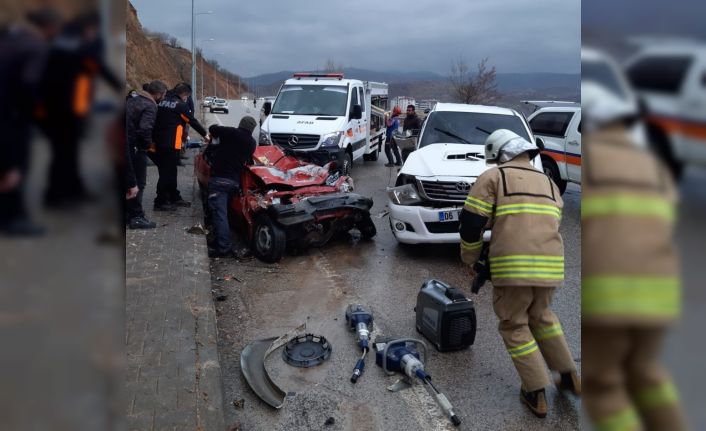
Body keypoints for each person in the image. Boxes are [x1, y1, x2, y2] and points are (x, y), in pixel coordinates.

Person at [581, 82, 687, 430]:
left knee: (602, 384)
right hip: (661, 292)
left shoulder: (593, 160)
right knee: (646, 373)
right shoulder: (652, 165)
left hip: (611, 294)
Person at [459, 129, 580, 418]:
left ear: (500, 154)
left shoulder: (494, 177)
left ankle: (535, 390)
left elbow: (472, 225)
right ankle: (568, 375)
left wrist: (471, 258)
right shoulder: (549, 183)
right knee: (543, 317)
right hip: (551, 266)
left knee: (514, 324)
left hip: (513, 267)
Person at [38, 11, 121, 208]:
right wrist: (119, 86)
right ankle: (56, 196)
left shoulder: (59, 47)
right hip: (66, 112)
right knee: (64, 154)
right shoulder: (78, 50)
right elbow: (99, 67)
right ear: (87, 30)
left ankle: (71, 191)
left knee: (66, 153)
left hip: (58, 111)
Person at [0, 8, 61, 236]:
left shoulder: (9, 38)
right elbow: (28, 83)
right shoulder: (35, 45)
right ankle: (12, 219)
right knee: (15, 168)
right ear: (50, 28)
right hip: (12, 117)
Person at [150, 83, 208, 211]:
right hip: (171, 144)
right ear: (184, 95)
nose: (187, 99)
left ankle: (174, 196)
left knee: (170, 171)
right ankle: (160, 202)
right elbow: (192, 121)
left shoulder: (162, 102)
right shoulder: (180, 106)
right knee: (166, 173)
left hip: (158, 142)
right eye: (187, 96)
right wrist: (206, 135)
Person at [205, 116, 257, 258]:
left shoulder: (231, 132)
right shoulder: (252, 143)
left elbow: (213, 129)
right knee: (223, 213)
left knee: (219, 215)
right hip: (234, 183)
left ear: (241, 124)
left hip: (219, 180)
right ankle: (218, 240)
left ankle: (223, 248)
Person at [125, 80, 167, 229]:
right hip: (135, 147)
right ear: (158, 94)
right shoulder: (150, 106)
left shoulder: (133, 100)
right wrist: (147, 145)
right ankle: (136, 216)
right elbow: (145, 129)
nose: (163, 98)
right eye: (163, 95)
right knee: (138, 182)